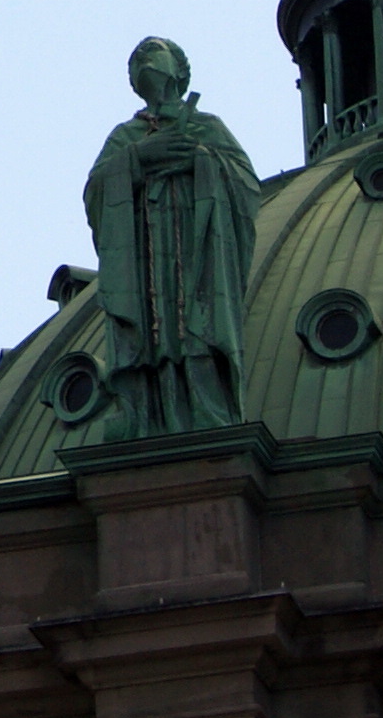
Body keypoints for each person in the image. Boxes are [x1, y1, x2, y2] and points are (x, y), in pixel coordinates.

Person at [86, 38, 260, 437]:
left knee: (196, 325)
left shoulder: (207, 126)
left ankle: (205, 406)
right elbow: (96, 191)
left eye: (154, 50)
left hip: (196, 249)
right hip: (145, 255)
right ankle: (144, 411)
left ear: (181, 71)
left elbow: (246, 187)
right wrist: (139, 158)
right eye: (135, 59)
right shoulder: (125, 136)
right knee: (152, 333)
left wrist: (200, 160)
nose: (142, 58)